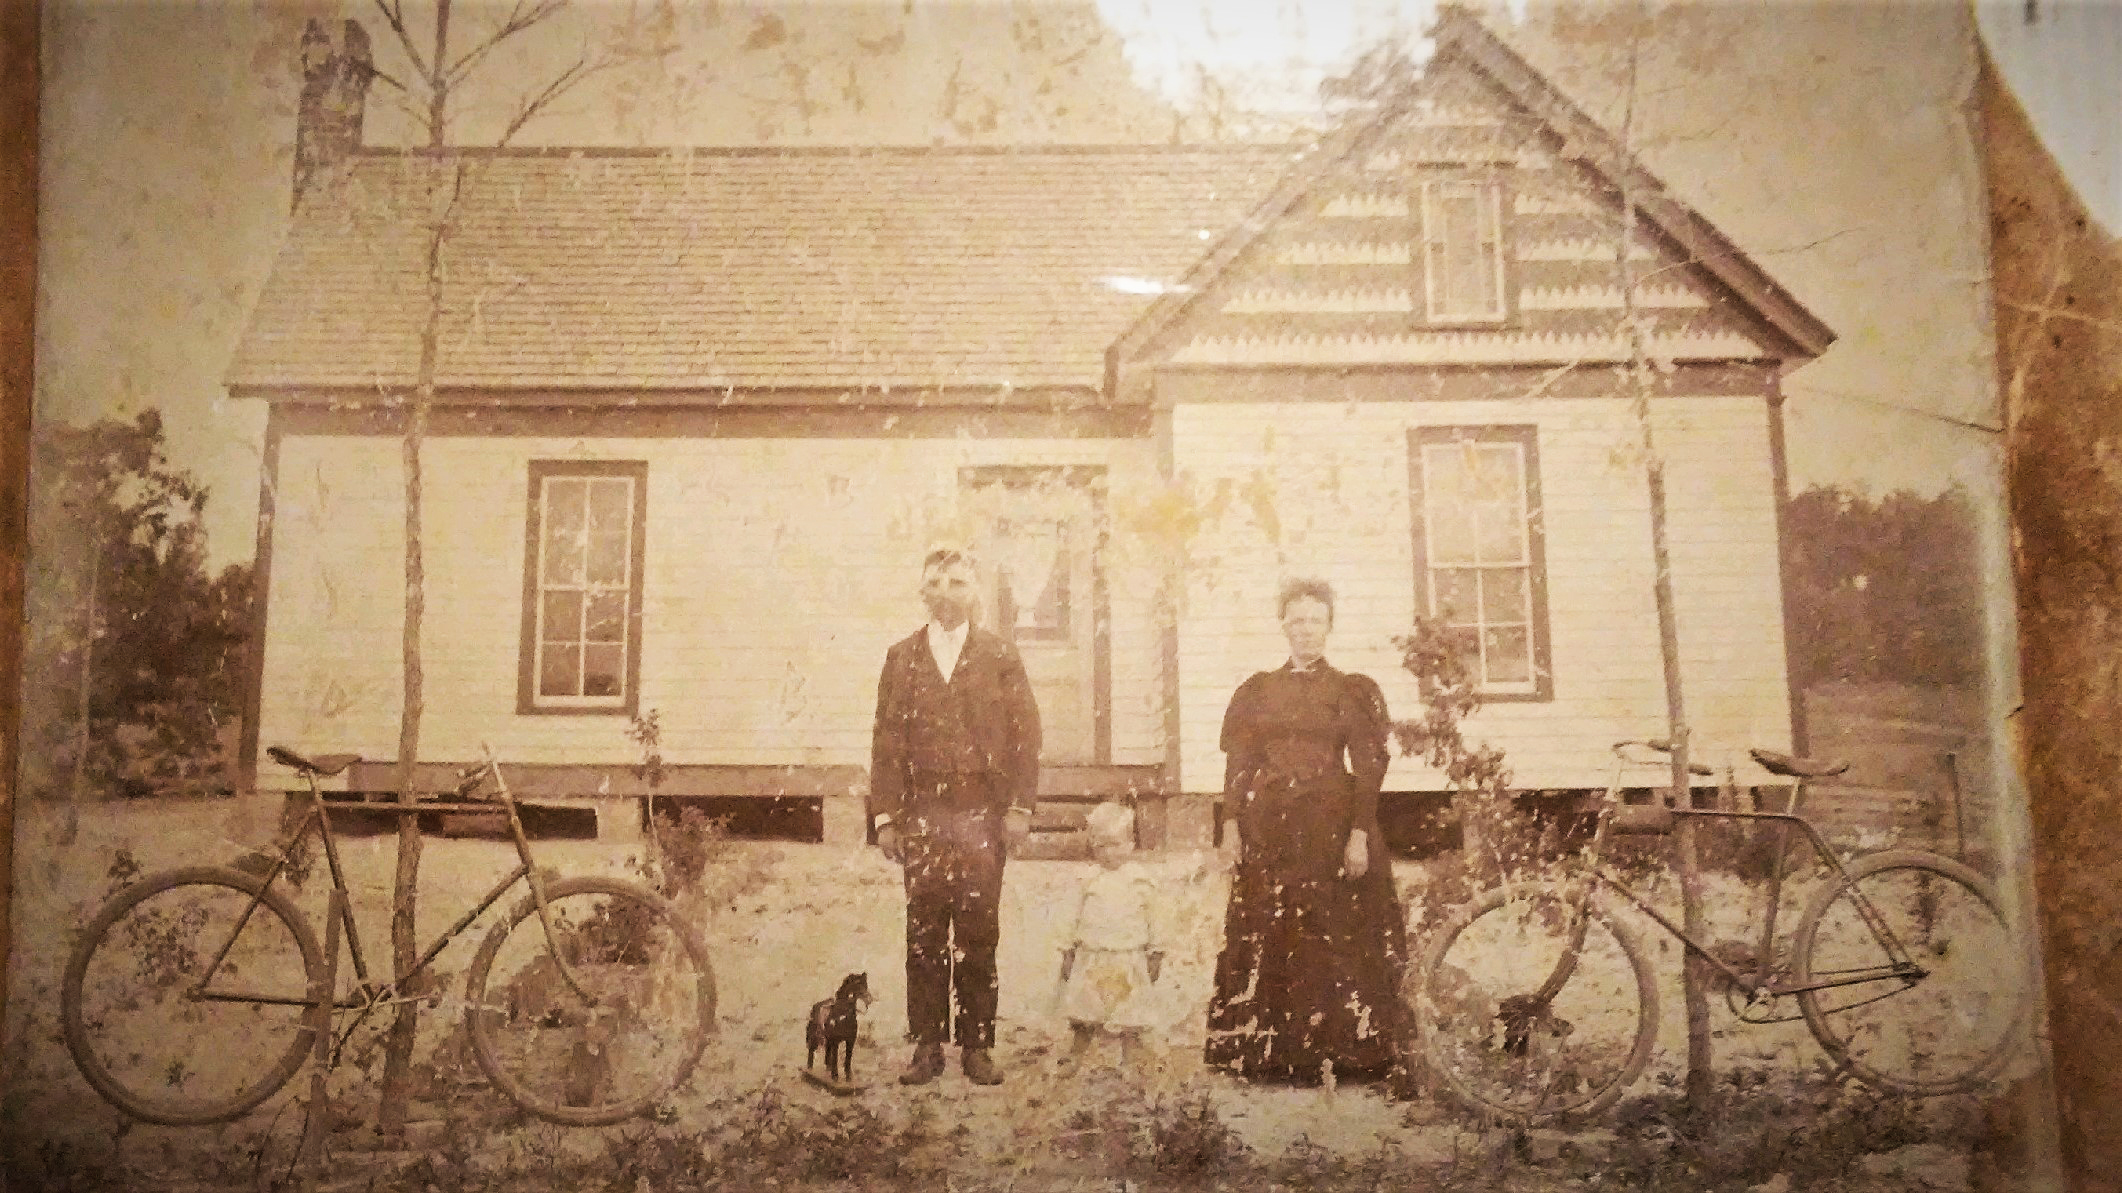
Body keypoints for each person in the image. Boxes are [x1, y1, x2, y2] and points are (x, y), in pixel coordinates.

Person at [1203, 578, 1412, 1087]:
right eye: (1296, 620)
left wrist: (1360, 833)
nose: (1306, 631)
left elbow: (1367, 769)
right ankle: (1271, 1057)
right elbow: (1240, 764)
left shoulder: (1349, 691)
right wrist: (1230, 823)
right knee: (1273, 933)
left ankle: (1351, 1056)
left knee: (1333, 934)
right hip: (1271, 828)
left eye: (1315, 621)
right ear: (1283, 626)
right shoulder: (1259, 691)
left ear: (1329, 627)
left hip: (1329, 826)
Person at [871, 547, 1042, 1086]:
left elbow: (1025, 736)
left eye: (958, 582)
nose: (946, 592)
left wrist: (1018, 808)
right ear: (923, 592)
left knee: (977, 932)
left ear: (975, 592)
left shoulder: (1000, 656)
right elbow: (886, 743)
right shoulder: (902, 658)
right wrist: (885, 817)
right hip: (922, 814)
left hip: (979, 816)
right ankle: (926, 1045)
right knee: (923, 931)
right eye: (936, 582)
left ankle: (976, 1045)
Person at [1052, 800, 1165, 1076]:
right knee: (1085, 1010)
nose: (1108, 852)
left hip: (1128, 956)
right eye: (1101, 845)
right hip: (1093, 956)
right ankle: (1075, 1056)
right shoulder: (1088, 880)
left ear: (1130, 843)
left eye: (1115, 844)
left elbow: (1156, 919)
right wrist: (1067, 951)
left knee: (1129, 1011)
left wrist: (1157, 951)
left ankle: (1129, 1060)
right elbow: (1071, 917)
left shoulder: (1141, 881)